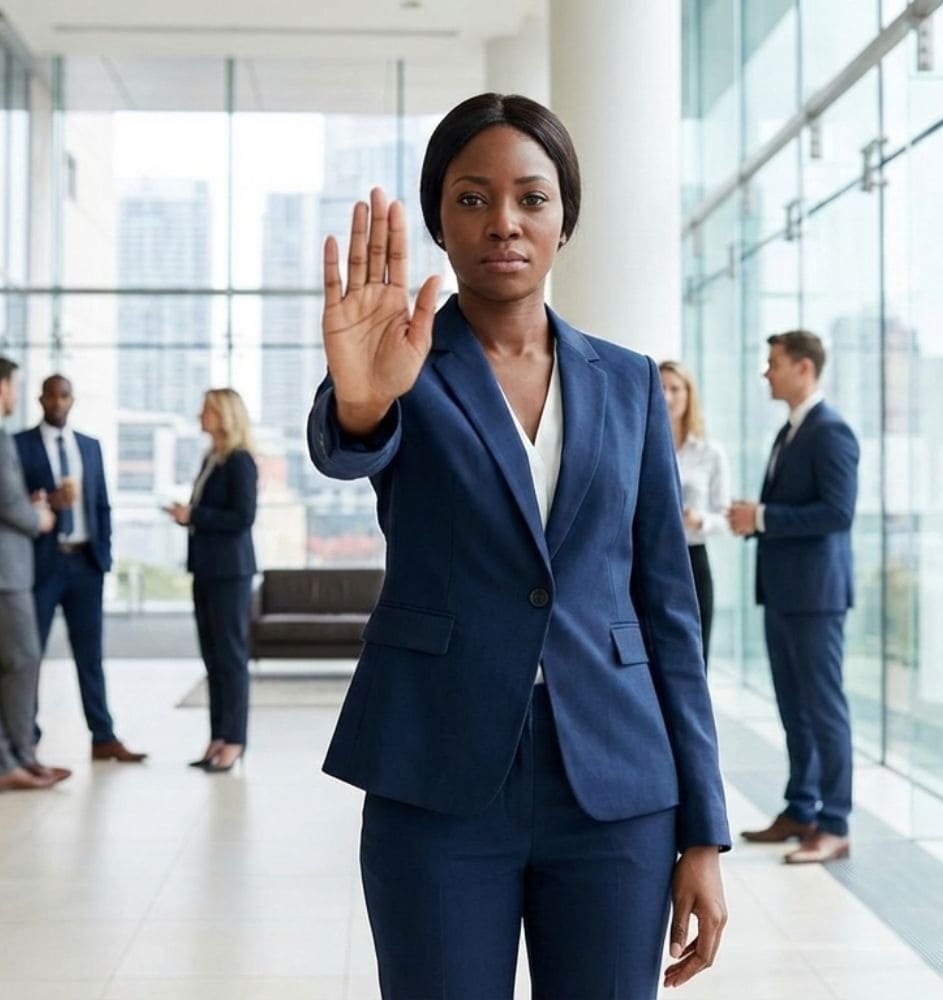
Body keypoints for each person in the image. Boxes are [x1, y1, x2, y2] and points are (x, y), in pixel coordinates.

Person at [306, 93, 729, 999]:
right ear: (438, 220)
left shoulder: (627, 383)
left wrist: (705, 828)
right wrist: (362, 401)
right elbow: (352, 445)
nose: (504, 221)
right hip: (438, 772)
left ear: (565, 218)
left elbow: (667, 610)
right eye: (472, 198)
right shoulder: (400, 361)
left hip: (615, 784)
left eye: (532, 198)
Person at [728, 331, 859, 865]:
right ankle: (801, 809)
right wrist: (758, 518)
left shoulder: (831, 432)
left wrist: (760, 517)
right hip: (784, 593)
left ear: (804, 369)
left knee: (824, 711)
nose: (766, 373)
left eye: (774, 364)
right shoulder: (790, 432)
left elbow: (838, 513)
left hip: (816, 597)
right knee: (794, 710)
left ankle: (835, 823)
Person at [15, 375, 147, 763]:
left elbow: (101, 504)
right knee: (29, 655)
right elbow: (11, 503)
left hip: (85, 564)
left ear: (73, 399)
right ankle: (26, 737)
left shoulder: (89, 446)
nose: (58, 402)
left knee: (90, 655)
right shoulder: (19, 445)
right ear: (41, 399)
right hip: (42, 563)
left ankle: (103, 735)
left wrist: (103, 557)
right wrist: (48, 503)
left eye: (65, 395)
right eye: (52, 395)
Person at [166, 388, 257, 773]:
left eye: (206, 409)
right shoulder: (212, 458)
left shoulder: (240, 461)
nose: (200, 414)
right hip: (205, 568)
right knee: (213, 659)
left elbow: (243, 517)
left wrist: (195, 516)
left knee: (231, 659)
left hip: (230, 572)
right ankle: (218, 738)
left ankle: (235, 741)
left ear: (224, 415)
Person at [0, 357, 72, 791]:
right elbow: (9, 505)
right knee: (24, 659)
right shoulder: (3, 438)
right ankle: (17, 758)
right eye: (11, 386)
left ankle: (17, 756)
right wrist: (40, 517)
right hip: (7, 573)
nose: (12, 396)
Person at [659, 361, 730, 668]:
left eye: (675, 388)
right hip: (652, 559)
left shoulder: (709, 452)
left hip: (693, 559)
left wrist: (700, 520)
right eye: (661, 387)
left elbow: (725, 516)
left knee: (696, 656)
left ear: (689, 395)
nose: (667, 396)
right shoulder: (642, 445)